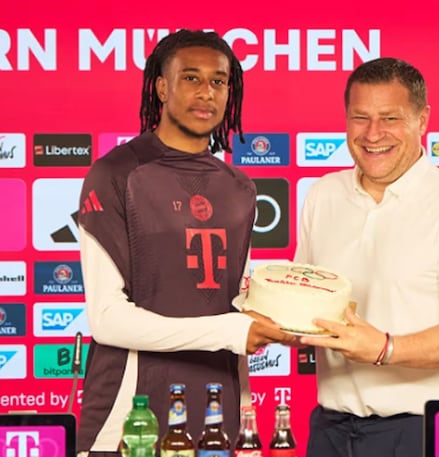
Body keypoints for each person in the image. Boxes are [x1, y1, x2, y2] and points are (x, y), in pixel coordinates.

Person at [76, 29, 294, 457]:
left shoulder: (240, 187)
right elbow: (106, 319)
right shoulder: (117, 173)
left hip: (217, 418)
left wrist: (245, 410)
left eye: (218, 81)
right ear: (161, 86)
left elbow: (235, 311)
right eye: (191, 78)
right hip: (128, 420)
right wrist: (231, 331)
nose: (206, 93)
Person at [294, 57, 439, 457]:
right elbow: (309, 302)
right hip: (329, 428)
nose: (373, 134)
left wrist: (384, 348)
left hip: (421, 433)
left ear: (422, 120)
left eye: (390, 118)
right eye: (360, 118)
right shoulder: (322, 195)